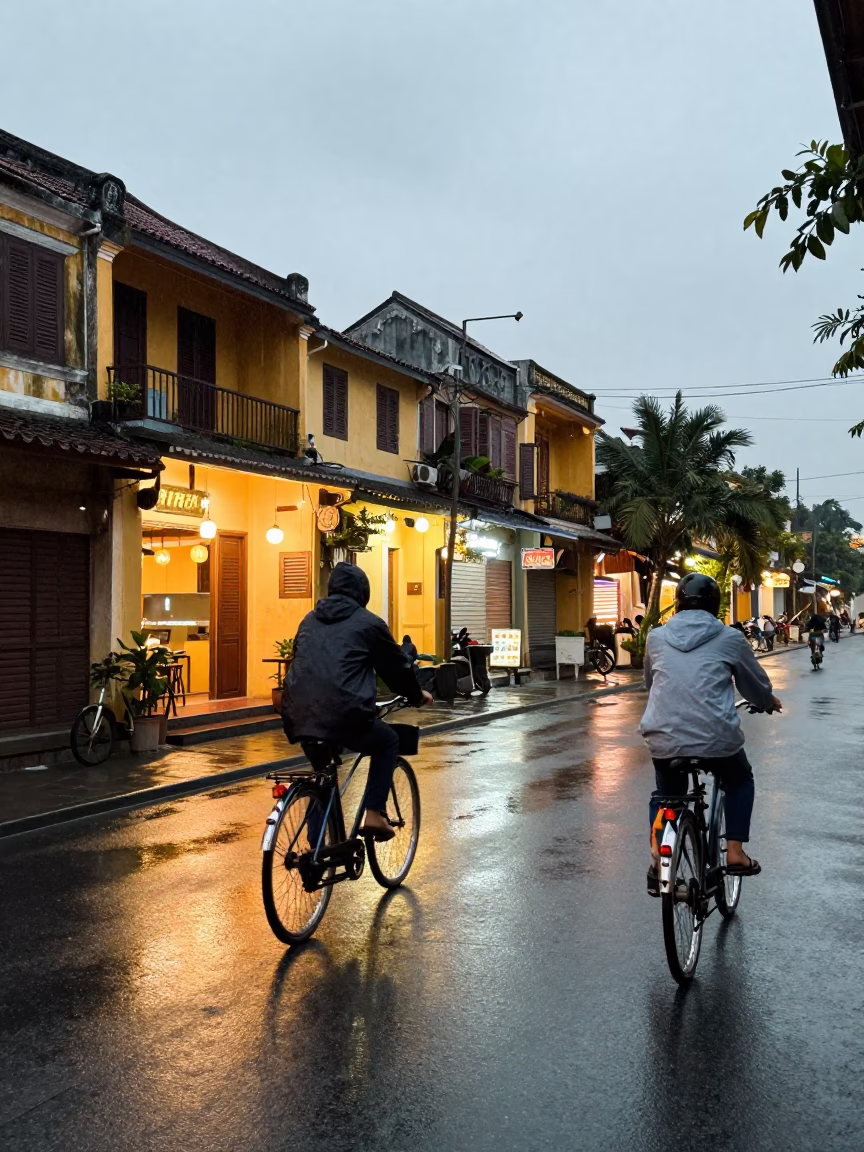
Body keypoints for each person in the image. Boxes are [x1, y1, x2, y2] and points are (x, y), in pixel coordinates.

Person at [641, 573, 781, 896]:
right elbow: (755, 685)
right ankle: (734, 852)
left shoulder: (656, 637)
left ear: (677, 602)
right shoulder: (730, 638)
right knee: (740, 779)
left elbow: (651, 683)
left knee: (666, 799)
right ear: (716, 605)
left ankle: (656, 860)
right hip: (717, 739)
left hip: (664, 737)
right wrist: (767, 702)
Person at [282, 563, 433, 840]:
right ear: (363, 593)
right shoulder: (369, 623)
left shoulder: (308, 620)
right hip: (345, 713)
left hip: (297, 713)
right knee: (387, 741)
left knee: (322, 775)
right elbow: (396, 668)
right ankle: (374, 814)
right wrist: (416, 694)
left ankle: (318, 852)